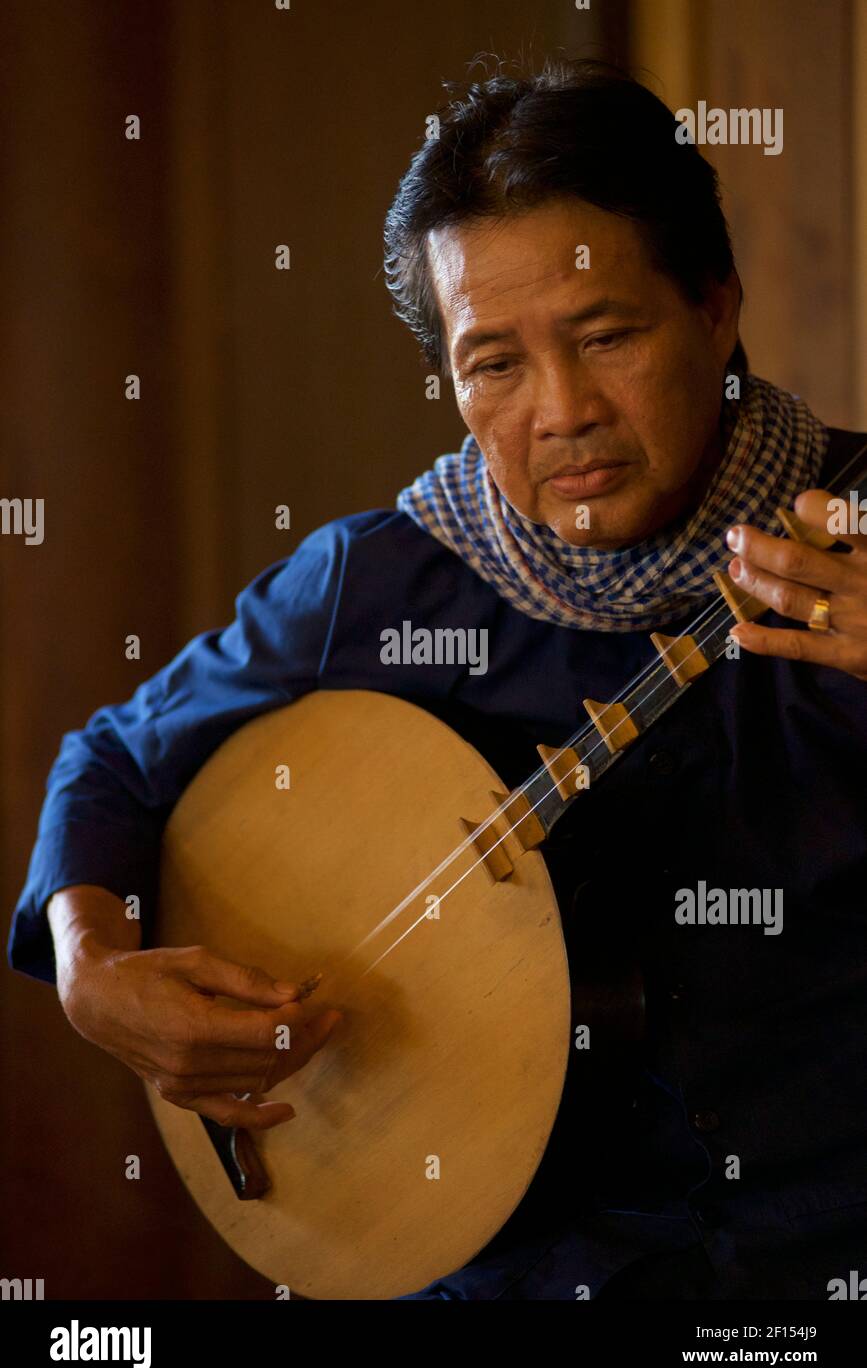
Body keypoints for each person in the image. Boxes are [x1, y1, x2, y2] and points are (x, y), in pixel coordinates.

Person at [9, 57, 867, 1301]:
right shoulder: (377, 581)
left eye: (608, 336)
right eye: (494, 364)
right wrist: (93, 974)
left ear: (716, 308)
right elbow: (114, 762)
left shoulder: (850, 544)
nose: (561, 412)